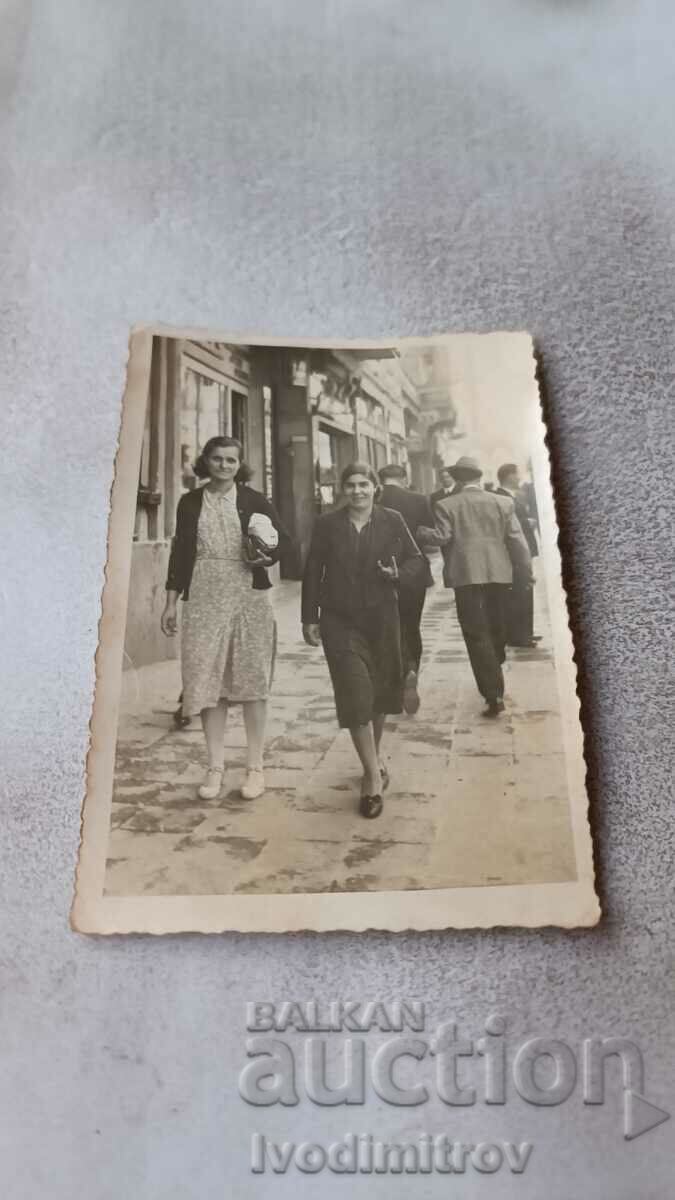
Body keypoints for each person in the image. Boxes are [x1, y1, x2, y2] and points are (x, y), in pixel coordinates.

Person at [161, 436, 288, 802]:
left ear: (239, 465)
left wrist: (263, 553)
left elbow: (284, 542)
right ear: (206, 462)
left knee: (252, 679)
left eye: (231, 460)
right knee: (206, 679)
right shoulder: (189, 502)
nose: (224, 466)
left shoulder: (254, 500)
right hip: (203, 596)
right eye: (217, 459)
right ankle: (215, 766)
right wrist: (170, 603)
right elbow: (180, 553)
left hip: (249, 597)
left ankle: (255, 767)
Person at [301, 462, 424, 818]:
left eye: (363, 485)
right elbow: (313, 571)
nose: (357, 491)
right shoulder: (327, 524)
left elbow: (418, 562)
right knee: (355, 693)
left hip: (382, 618)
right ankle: (372, 776)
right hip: (339, 620)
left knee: (380, 695)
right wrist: (310, 617)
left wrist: (397, 573)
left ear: (374, 488)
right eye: (351, 485)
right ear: (342, 489)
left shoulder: (392, 520)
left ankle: (374, 755)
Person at [434, 456, 532, 718]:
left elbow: (442, 537)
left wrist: (423, 534)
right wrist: (526, 572)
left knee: (476, 633)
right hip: (500, 575)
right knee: (497, 626)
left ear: (456, 478)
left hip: (466, 578)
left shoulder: (446, 505)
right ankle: (495, 660)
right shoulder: (502, 502)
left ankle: (493, 694)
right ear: (479, 477)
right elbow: (518, 542)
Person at [377, 463, 440, 713]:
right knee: (411, 625)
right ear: (404, 478)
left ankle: (397, 678)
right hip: (413, 573)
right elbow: (427, 534)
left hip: (380, 572)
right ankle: (411, 669)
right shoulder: (419, 499)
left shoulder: (376, 498)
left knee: (386, 627)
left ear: (381, 480)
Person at [496, 463, 540, 648]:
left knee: (524, 591)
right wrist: (526, 522)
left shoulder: (513, 495)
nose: (519, 477)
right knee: (520, 591)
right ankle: (520, 636)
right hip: (513, 552)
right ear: (508, 476)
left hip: (521, 549)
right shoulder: (500, 496)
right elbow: (504, 524)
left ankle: (525, 632)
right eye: (516, 474)